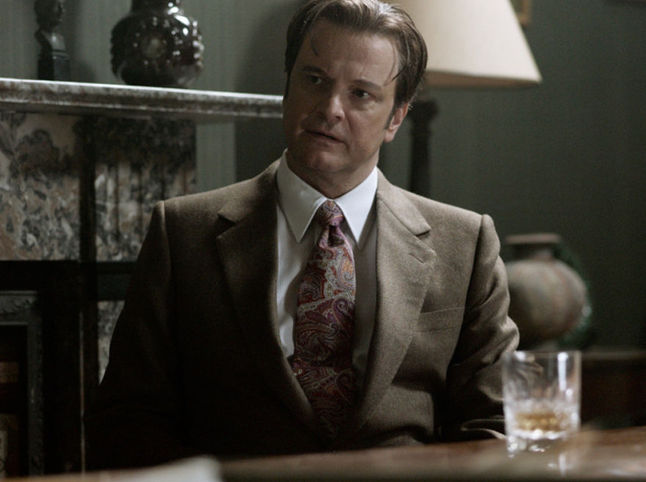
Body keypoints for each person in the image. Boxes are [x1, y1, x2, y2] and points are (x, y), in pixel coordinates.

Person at [85, 0, 518, 470]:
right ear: (287, 87)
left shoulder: (466, 244)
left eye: (361, 94)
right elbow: (128, 420)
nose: (330, 109)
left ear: (396, 117)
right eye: (314, 80)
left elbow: (493, 424)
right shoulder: (183, 233)